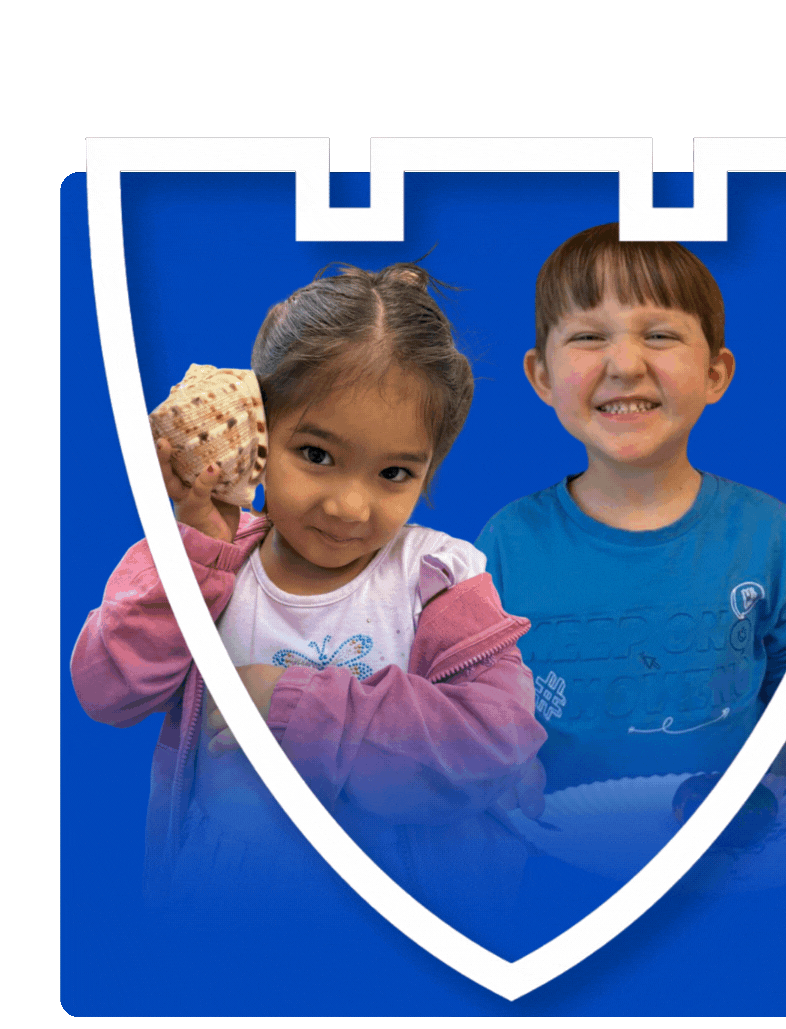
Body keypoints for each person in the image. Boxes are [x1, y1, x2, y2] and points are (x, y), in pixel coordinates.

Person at [71, 263, 546, 937]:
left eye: (393, 472)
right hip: (221, 898)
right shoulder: (214, 563)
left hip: (394, 916)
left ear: (428, 467)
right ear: (261, 438)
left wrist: (286, 700)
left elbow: (491, 742)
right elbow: (106, 690)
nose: (348, 504)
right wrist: (190, 549)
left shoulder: (438, 577)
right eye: (316, 454)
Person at [477, 224, 786, 821]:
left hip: (730, 843)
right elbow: (473, 691)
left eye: (659, 334)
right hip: (559, 840)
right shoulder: (506, 543)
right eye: (589, 335)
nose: (624, 363)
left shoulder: (769, 533)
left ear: (715, 374)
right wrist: (500, 763)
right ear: (542, 375)